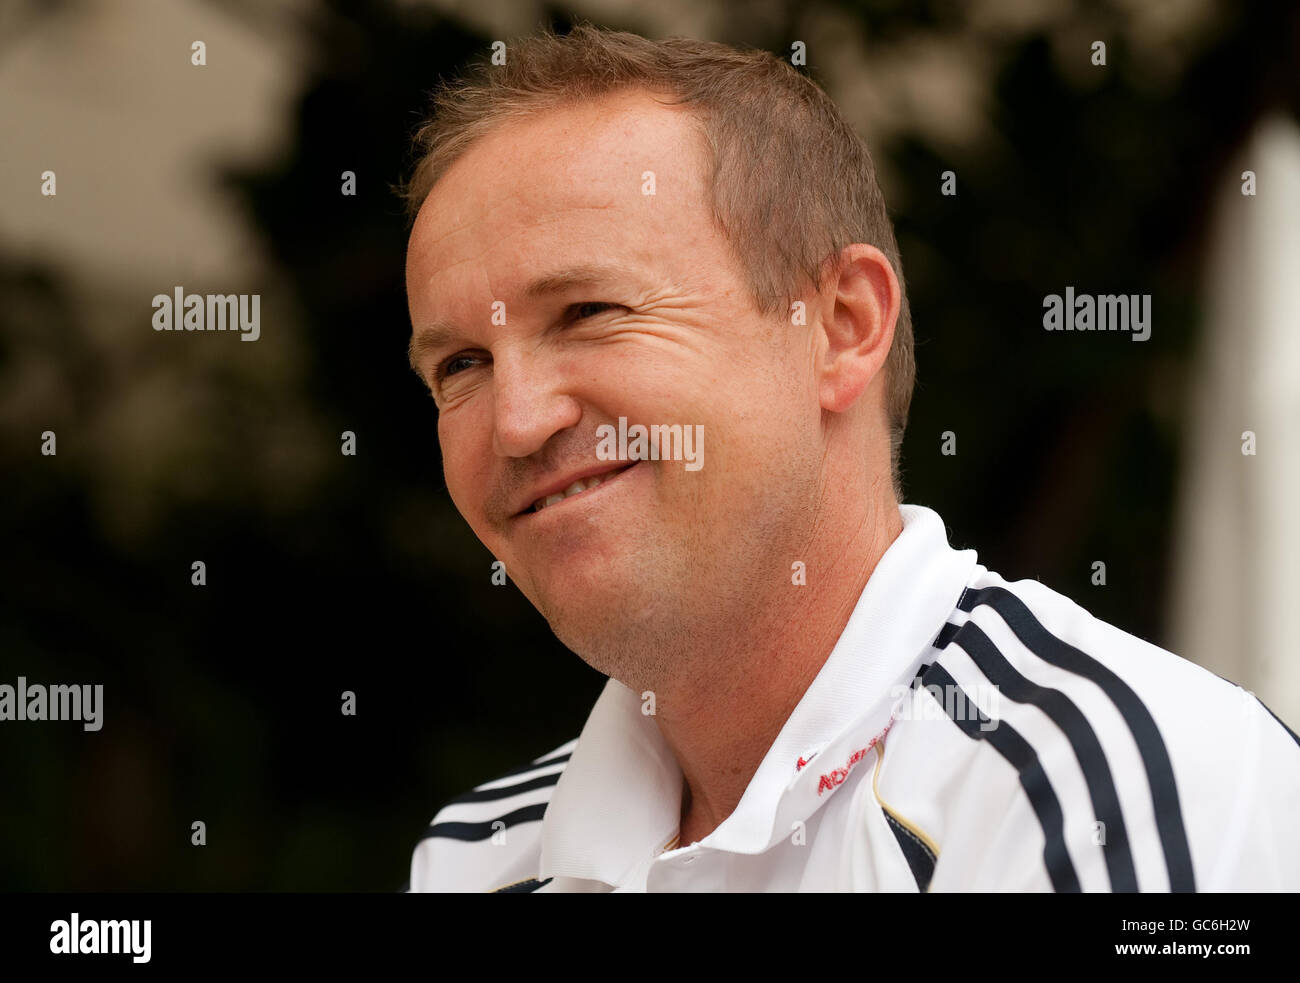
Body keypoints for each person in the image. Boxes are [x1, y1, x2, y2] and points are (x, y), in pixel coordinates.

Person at [399, 24, 1300, 892]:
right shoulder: (480, 860)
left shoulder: (1122, 786)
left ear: (841, 328)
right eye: (460, 365)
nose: (516, 421)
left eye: (589, 311)